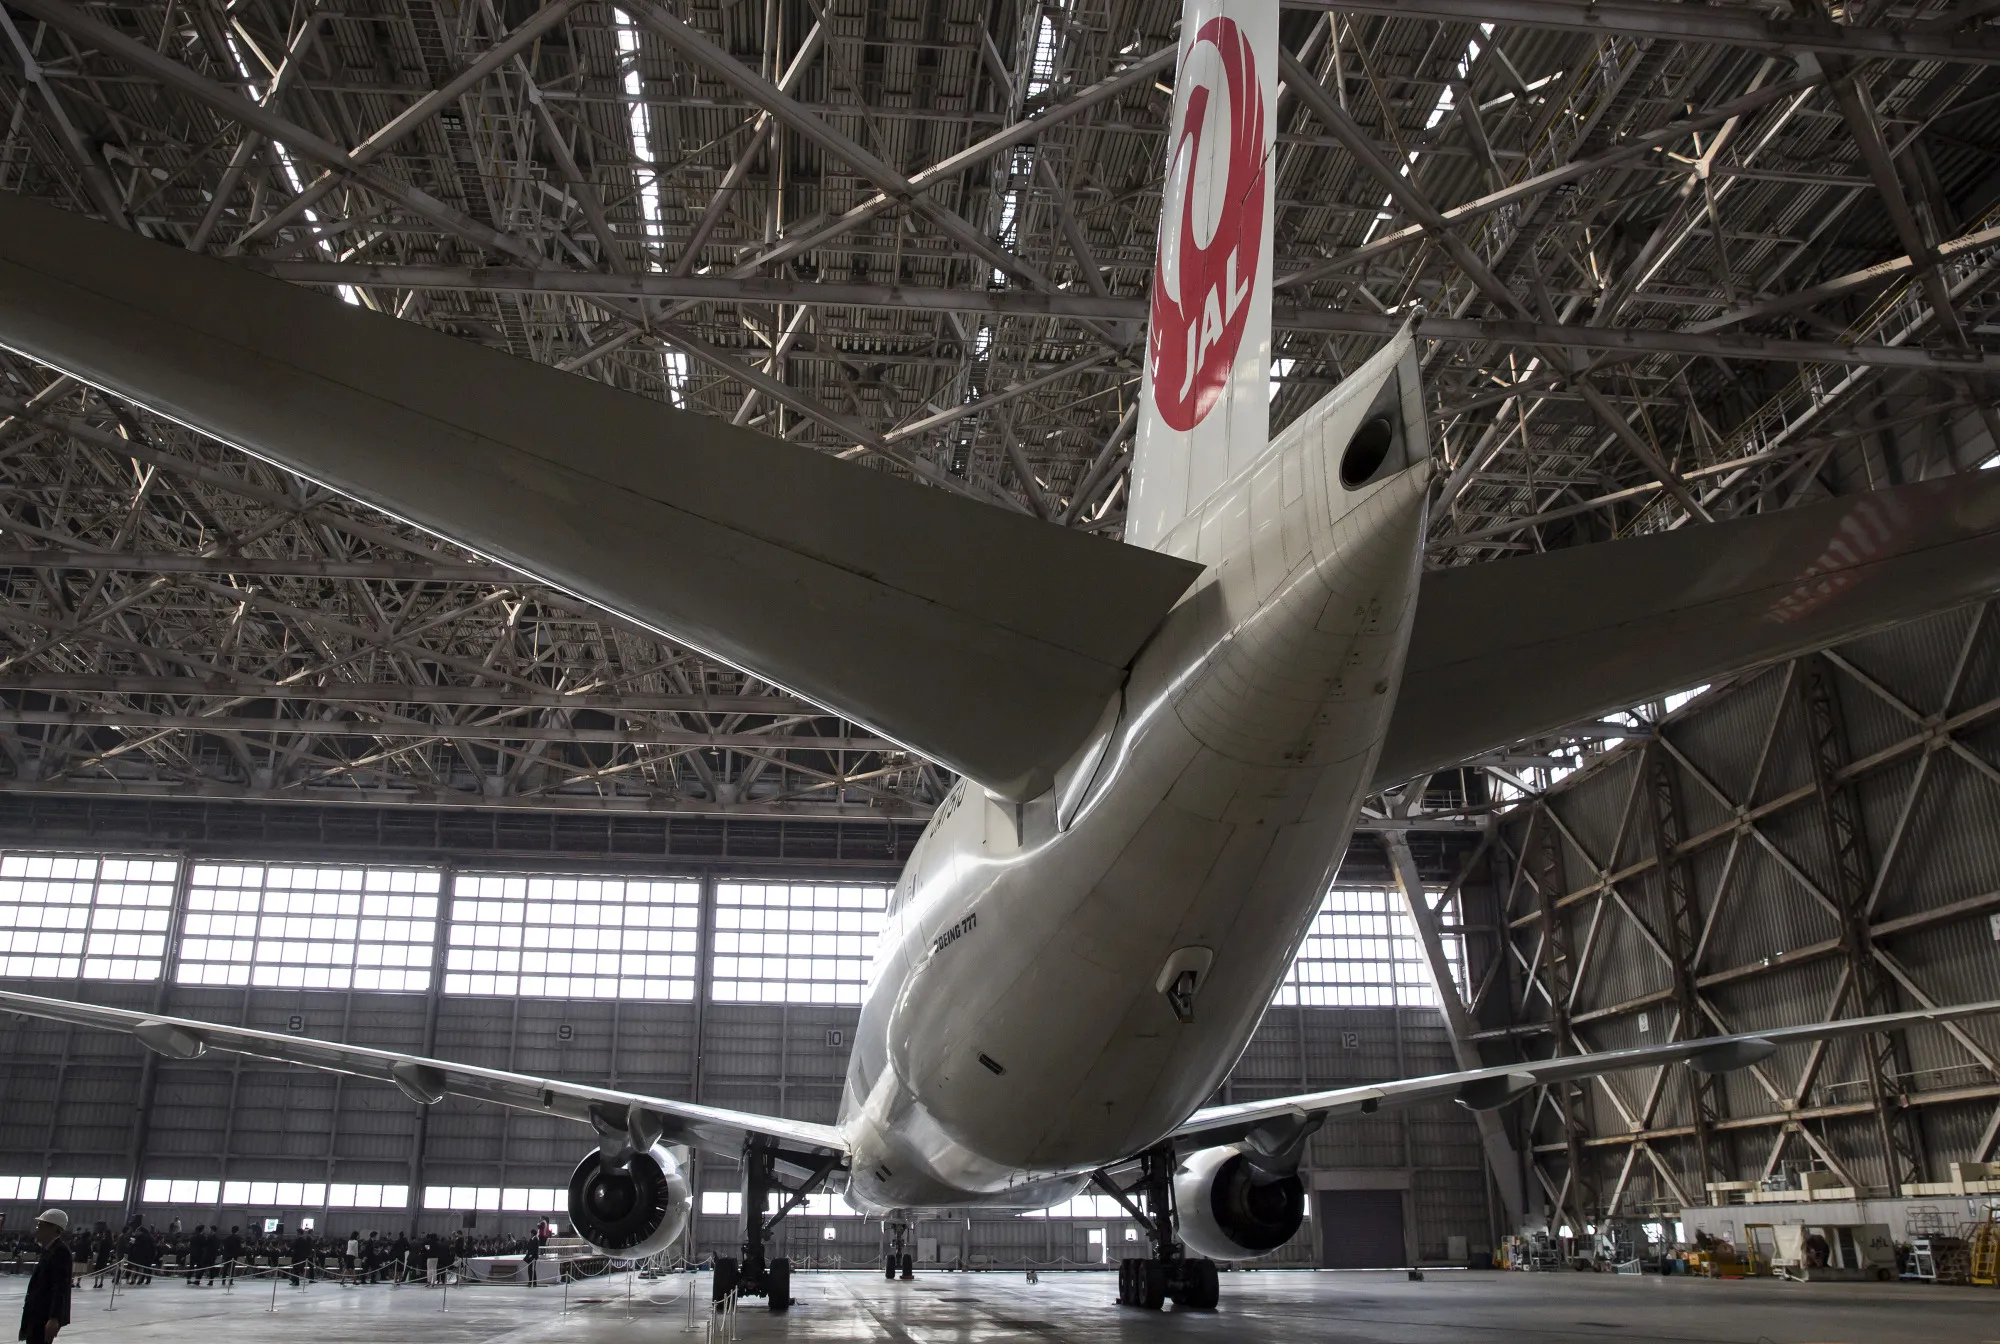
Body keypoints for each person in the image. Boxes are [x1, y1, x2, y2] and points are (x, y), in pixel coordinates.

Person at [19, 1209, 70, 1344]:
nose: (37, 1230)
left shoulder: (60, 1251)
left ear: (54, 1228)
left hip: (44, 1316)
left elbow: (60, 1287)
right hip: (37, 1313)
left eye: (40, 1226)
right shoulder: (50, 1249)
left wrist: (54, 1317)